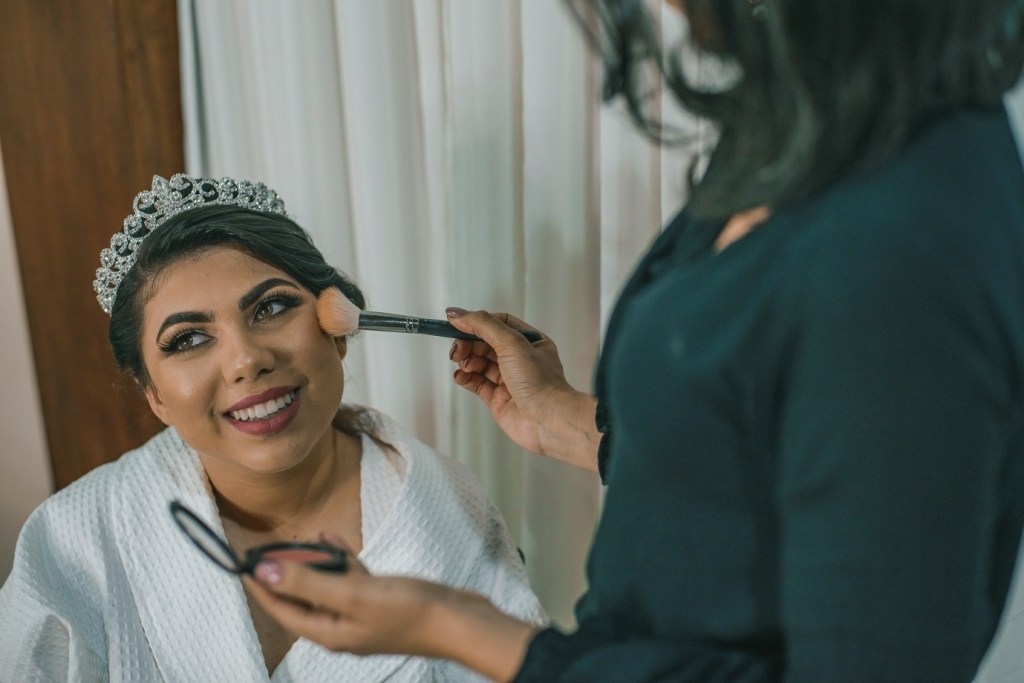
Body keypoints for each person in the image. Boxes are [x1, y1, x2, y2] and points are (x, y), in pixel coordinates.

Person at [242, 0, 1024, 682]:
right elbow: (777, 440)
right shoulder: (810, 113)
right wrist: (568, 420)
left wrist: (452, 626)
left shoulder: (897, 246)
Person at [0, 174, 545, 682]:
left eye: (272, 307)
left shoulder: (452, 512)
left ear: (337, 328)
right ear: (155, 395)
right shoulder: (71, 543)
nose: (245, 360)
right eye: (188, 339)